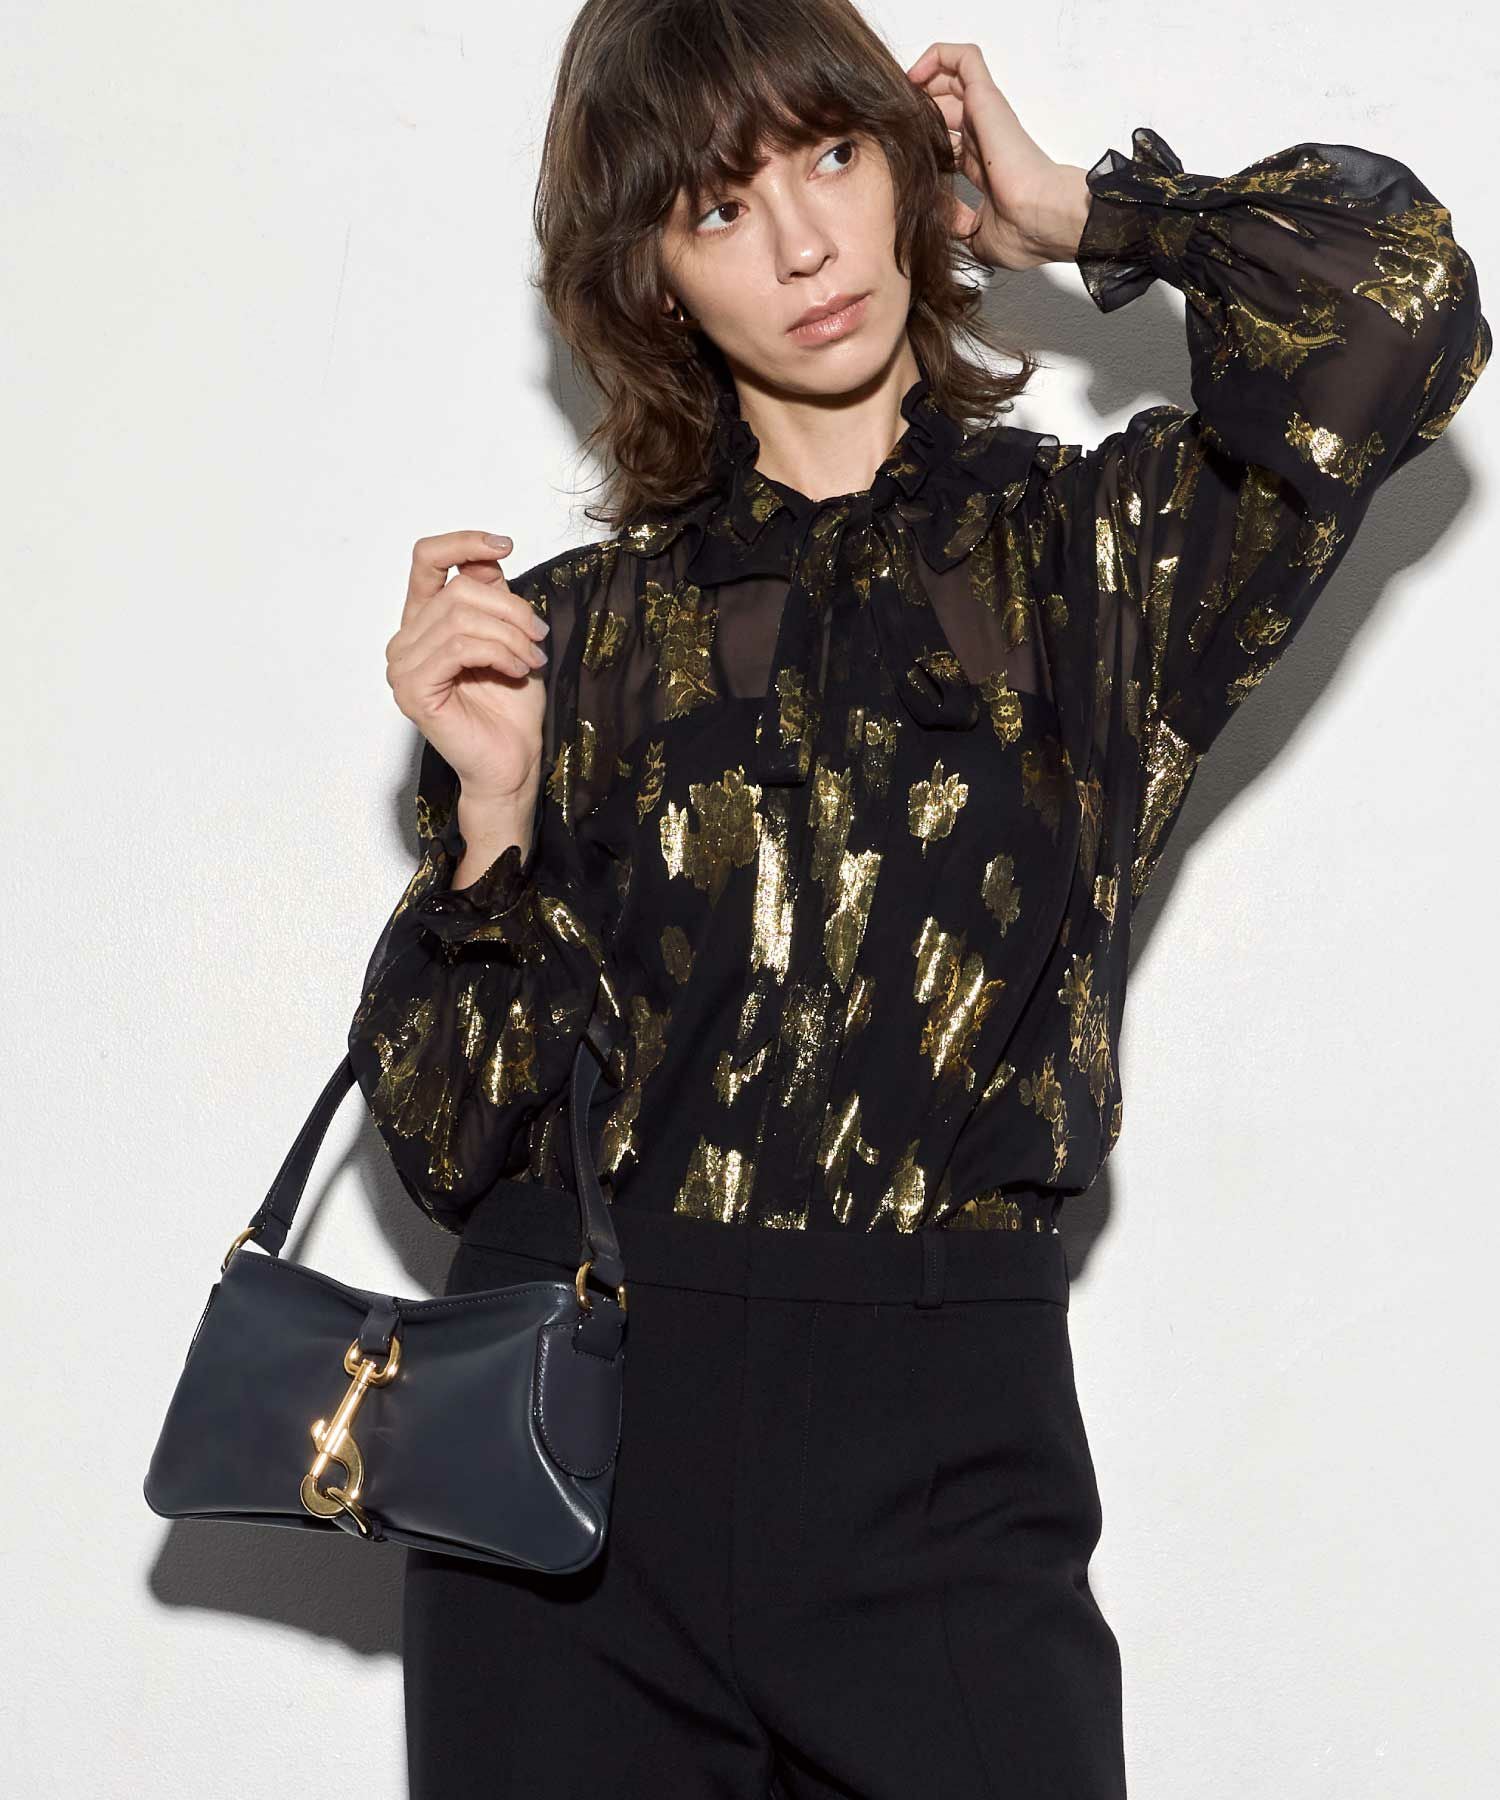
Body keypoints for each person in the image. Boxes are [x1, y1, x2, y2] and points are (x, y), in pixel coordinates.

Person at [346, 2, 1490, 1794]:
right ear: (653, 281)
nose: (805, 244)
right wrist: (492, 813)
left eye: (831, 154)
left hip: (946, 1437)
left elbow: (1399, 307)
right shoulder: (566, 639)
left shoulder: (1096, 563)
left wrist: (1085, 212)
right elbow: (447, 1146)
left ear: (906, 164)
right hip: (573, 1479)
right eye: (719, 208)